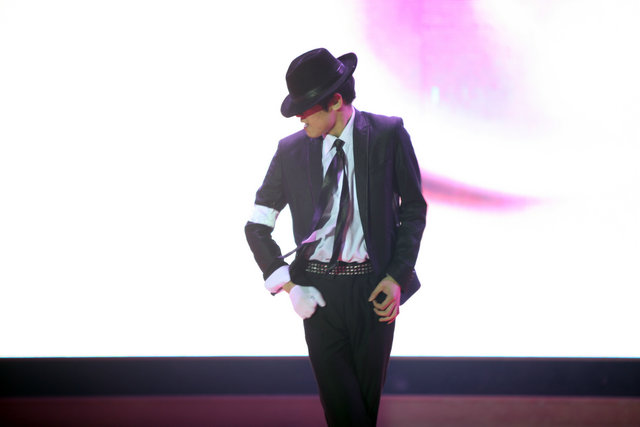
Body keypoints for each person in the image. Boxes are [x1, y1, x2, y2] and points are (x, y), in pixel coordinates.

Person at [245, 48, 427, 426]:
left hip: (373, 292)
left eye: (306, 108)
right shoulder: (291, 151)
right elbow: (256, 225)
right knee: (344, 413)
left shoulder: (388, 135)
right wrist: (290, 286)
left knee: (362, 414)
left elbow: (413, 209)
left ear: (336, 101)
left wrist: (396, 277)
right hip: (319, 295)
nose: (299, 117)